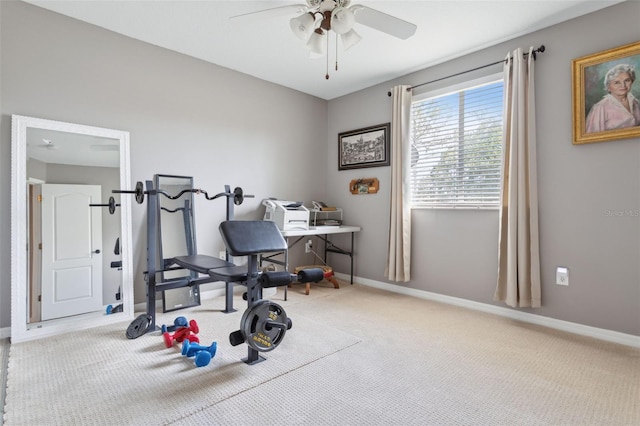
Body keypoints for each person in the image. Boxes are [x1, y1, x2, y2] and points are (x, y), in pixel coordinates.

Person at [585, 64, 640, 133]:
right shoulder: (600, 107)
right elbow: (591, 138)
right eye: (617, 82)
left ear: (632, 81)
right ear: (608, 86)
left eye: (627, 80)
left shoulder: (636, 103)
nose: (623, 85)